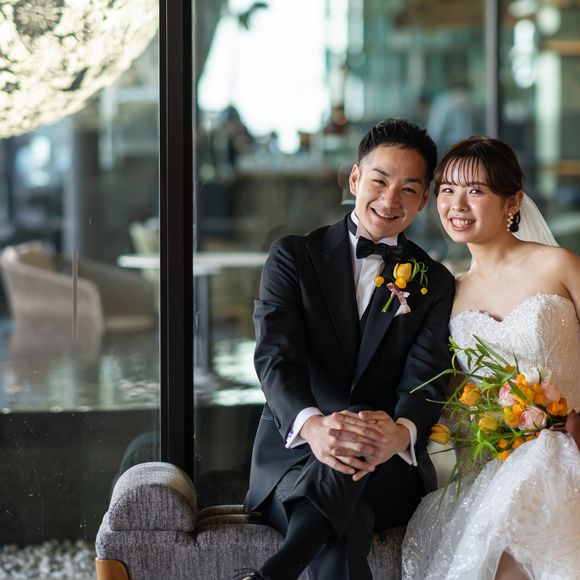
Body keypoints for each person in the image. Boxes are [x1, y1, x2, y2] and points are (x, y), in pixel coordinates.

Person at [235, 118, 456, 580]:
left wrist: (399, 434)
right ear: (355, 179)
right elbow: (276, 359)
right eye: (379, 181)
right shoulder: (293, 257)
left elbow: (427, 375)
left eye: (408, 189)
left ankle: (275, 573)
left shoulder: (433, 281)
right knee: (346, 524)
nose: (390, 200)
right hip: (294, 460)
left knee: (355, 448)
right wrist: (314, 427)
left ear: (423, 199)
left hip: (386, 462)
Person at [402, 136, 580, 580]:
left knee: (544, 464)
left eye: (475, 190)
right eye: (447, 189)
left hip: (571, 444)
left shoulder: (559, 265)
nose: (457, 204)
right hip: (497, 463)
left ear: (513, 202)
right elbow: (457, 394)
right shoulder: (451, 291)